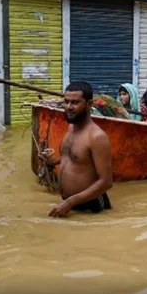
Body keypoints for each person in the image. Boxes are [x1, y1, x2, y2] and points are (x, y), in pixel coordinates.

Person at [43, 81, 113, 217]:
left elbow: (106, 182)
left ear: (89, 104)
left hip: (91, 207)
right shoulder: (71, 129)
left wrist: (70, 202)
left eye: (75, 103)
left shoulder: (97, 137)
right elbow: (72, 157)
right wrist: (52, 162)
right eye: (66, 102)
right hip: (69, 204)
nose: (68, 107)